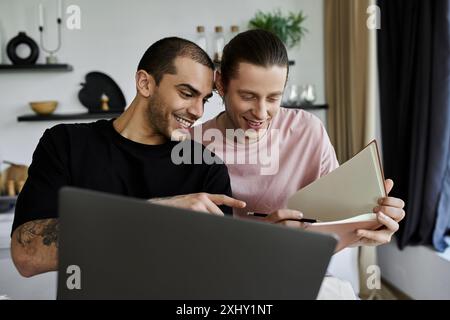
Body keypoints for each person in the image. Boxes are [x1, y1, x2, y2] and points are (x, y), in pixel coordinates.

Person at [190, 29, 406, 298]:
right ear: (220, 84)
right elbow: (187, 249)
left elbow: (335, 220)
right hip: (228, 282)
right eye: (247, 96)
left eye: (273, 98)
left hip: (299, 274)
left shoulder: (307, 130)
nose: (261, 112)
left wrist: (369, 223)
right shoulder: (192, 145)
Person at [11, 37, 245, 278]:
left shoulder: (207, 168)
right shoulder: (66, 144)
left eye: (204, 99)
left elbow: (216, 274)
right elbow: (26, 255)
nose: (198, 111)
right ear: (145, 83)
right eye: (187, 93)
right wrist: (150, 214)